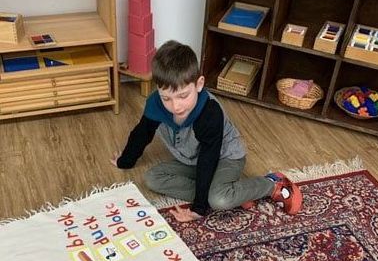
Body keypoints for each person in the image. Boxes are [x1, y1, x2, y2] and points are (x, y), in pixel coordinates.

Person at [111, 40, 302, 222]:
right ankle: (233, 192)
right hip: (193, 160)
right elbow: (142, 133)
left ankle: (272, 183)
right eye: (166, 98)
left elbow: (209, 157)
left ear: (199, 84)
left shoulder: (209, 112)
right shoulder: (155, 104)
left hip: (225, 157)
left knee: (218, 201)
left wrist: (198, 208)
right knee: (152, 178)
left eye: (183, 96)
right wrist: (125, 160)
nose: (175, 106)